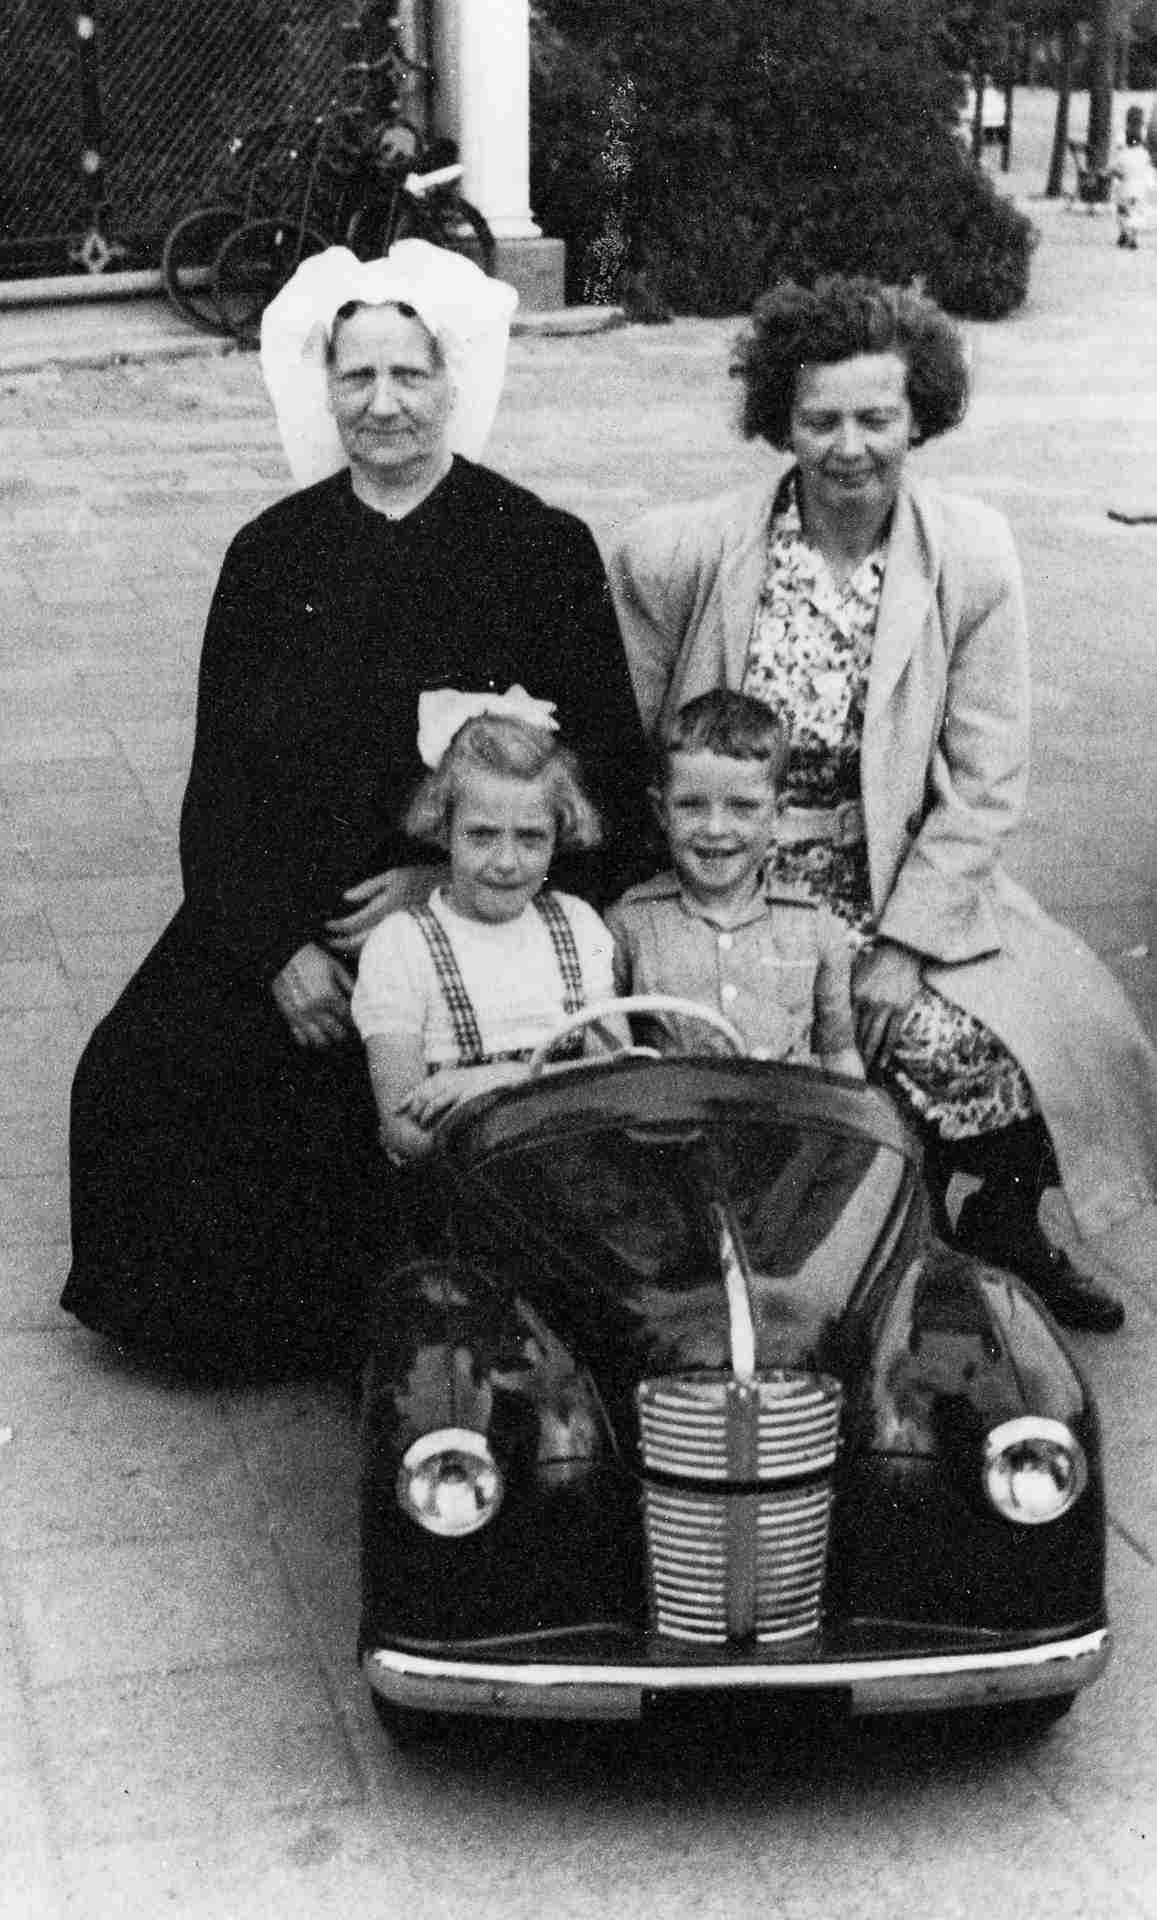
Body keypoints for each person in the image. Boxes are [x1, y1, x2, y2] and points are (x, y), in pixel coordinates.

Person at [63, 241, 650, 1381]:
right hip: (298, 910)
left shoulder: (538, 547)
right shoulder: (270, 555)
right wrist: (277, 948)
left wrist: (447, 883)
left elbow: (609, 772)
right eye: (358, 376)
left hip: (479, 903)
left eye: (410, 375)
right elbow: (219, 788)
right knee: (143, 1073)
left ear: (454, 381)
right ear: (322, 388)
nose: (384, 404)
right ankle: (263, 1334)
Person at [609, 273, 1157, 1333]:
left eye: (875, 417)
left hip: (892, 876)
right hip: (723, 866)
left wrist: (903, 944)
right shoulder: (683, 552)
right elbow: (622, 736)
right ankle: (833, 1247)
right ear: (780, 421)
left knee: (1041, 1045)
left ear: (919, 417)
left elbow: (986, 775)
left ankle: (996, 1221)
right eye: (819, 419)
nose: (848, 447)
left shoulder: (969, 554)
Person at [352, 694, 618, 1164]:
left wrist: (504, 1080)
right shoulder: (401, 944)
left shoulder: (579, 925)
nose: (507, 862)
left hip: (580, 1176)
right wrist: (557, 1099)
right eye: (481, 835)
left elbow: (621, 1078)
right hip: (464, 1188)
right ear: (443, 829)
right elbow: (402, 1128)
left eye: (531, 838)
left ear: (559, 834)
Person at [607, 689, 862, 1076]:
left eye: (742, 807)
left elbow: (838, 1054)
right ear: (661, 810)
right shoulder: (629, 923)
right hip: (670, 1112)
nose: (715, 828)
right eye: (691, 805)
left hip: (783, 1110)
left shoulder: (816, 926)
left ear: (776, 813)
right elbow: (608, 1063)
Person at [1112, 105, 1153, 249]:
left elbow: (1118, 164)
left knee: (1123, 209)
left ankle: (1124, 233)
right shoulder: (1144, 144)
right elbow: (1147, 161)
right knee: (1137, 211)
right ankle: (1133, 236)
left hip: (1125, 184)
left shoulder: (1121, 136)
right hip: (1140, 184)